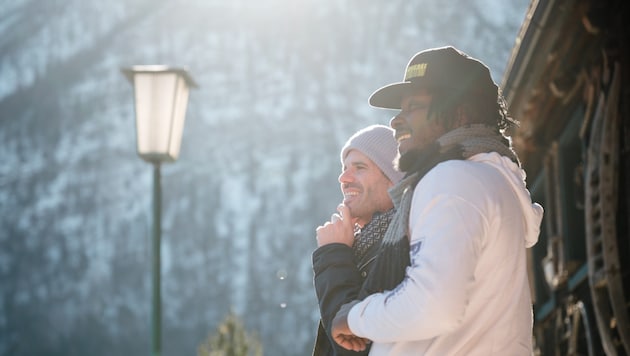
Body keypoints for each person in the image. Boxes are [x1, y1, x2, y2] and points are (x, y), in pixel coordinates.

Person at [330, 46, 544, 355]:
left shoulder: (452, 179)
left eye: (414, 106)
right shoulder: (486, 181)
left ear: (460, 113)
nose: (396, 121)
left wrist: (353, 317)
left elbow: (435, 304)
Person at [312, 124, 404, 355]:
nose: (343, 177)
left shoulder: (398, 246)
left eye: (359, 167)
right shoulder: (366, 244)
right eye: (344, 168)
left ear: (394, 180)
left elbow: (354, 348)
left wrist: (333, 254)